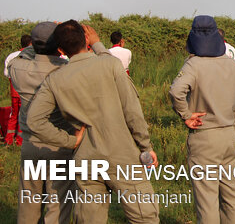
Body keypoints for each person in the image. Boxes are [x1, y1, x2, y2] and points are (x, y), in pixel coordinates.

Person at [27, 20, 159, 224]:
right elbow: (132, 111)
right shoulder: (110, 64)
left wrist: (70, 141)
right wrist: (145, 146)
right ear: (86, 40)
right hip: (123, 156)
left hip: (86, 159)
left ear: (61, 49)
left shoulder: (55, 80)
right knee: (144, 217)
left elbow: (34, 121)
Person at [8, 22, 108, 224]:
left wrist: (40, 38)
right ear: (59, 45)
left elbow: (23, 55)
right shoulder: (67, 70)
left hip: (30, 144)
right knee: (58, 204)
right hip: (61, 143)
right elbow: (104, 65)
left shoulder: (17, 68)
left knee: (29, 203)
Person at [170, 16, 235, 224]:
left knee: (207, 198)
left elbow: (176, 91)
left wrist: (186, 115)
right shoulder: (231, 65)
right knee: (231, 194)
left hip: (205, 135)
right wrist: (232, 127)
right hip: (228, 134)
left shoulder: (194, 64)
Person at [3, 34, 32, 145]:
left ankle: (9, 139)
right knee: (24, 115)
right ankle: (20, 140)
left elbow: (7, 74)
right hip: (26, 90)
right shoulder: (32, 55)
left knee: (14, 114)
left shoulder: (11, 56)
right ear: (30, 44)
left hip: (14, 90)